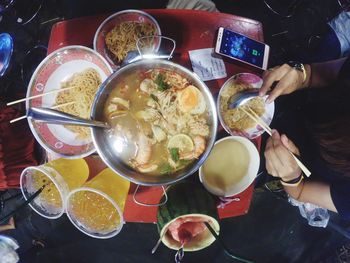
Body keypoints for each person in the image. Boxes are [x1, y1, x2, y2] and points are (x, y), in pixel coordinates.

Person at [259, 57, 350, 220]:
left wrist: (290, 176)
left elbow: (300, 191)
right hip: (291, 102)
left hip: (290, 162)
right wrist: (301, 76)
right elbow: (319, 73)